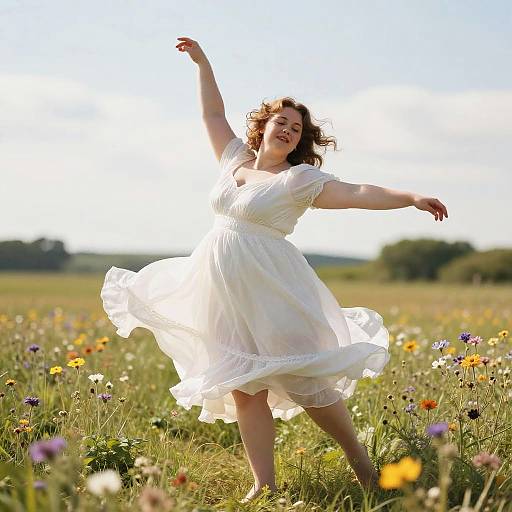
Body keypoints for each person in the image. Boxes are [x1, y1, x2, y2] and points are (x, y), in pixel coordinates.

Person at [100, 36, 449, 503]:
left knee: (305, 380)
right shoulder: (234, 161)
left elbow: (360, 192)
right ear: (263, 127)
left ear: (300, 140)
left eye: (296, 128)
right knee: (244, 386)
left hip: (272, 285)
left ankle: (361, 463)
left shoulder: (298, 181)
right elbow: (212, 116)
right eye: (280, 122)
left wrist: (409, 198)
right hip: (220, 285)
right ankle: (264, 484)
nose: (286, 129)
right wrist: (203, 64)